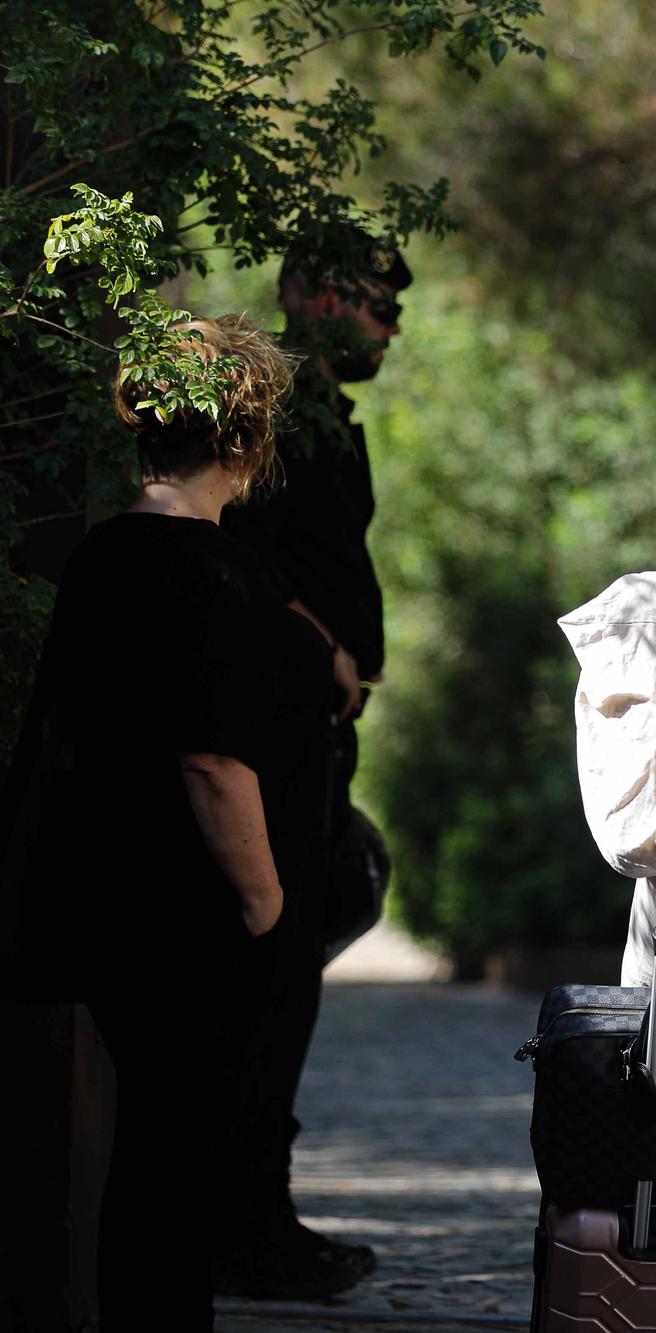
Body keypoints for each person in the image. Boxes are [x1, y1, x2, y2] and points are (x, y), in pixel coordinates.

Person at [8, 316, 330, 1326]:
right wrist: (266, 899)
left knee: (149, 1152)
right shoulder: (213, 572)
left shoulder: (105, 554)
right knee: (177, 1161)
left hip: (103, 893)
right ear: (240, 441)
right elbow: (212, 758)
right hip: (188, 910)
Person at [214, 221, 410, 1296]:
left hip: (313, 733)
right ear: (315, 296)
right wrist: (315, 642)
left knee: (293, 966)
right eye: (376, 303)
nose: (390, 324)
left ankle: (252, 1216)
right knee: (271, 971)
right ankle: (245, 1229)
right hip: (272, 730)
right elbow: (234, 547)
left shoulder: (324, 413)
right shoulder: (275, 411)